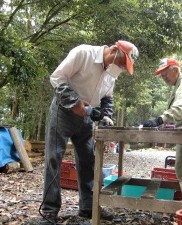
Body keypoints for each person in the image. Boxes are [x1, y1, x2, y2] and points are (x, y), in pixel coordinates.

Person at [39, 40, 139, 224]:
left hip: (87, 117)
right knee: (54, 158)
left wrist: (106, 116)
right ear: (115, 50)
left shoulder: (111, 73)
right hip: (63, 111)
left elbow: (107, 97)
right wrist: (77, 105)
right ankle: (49, 211)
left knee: (88, 160)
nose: (122, 67)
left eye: (125, 66)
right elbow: (57, 78)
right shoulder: (83, 53)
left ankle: (88, 207)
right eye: (122, 62)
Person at [142, 58, 182, 184]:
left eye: (165, 74)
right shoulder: (179, 84)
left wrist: (159, 120)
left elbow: (179, 109)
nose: (163, 78)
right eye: (162, 76)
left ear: (175, 70)